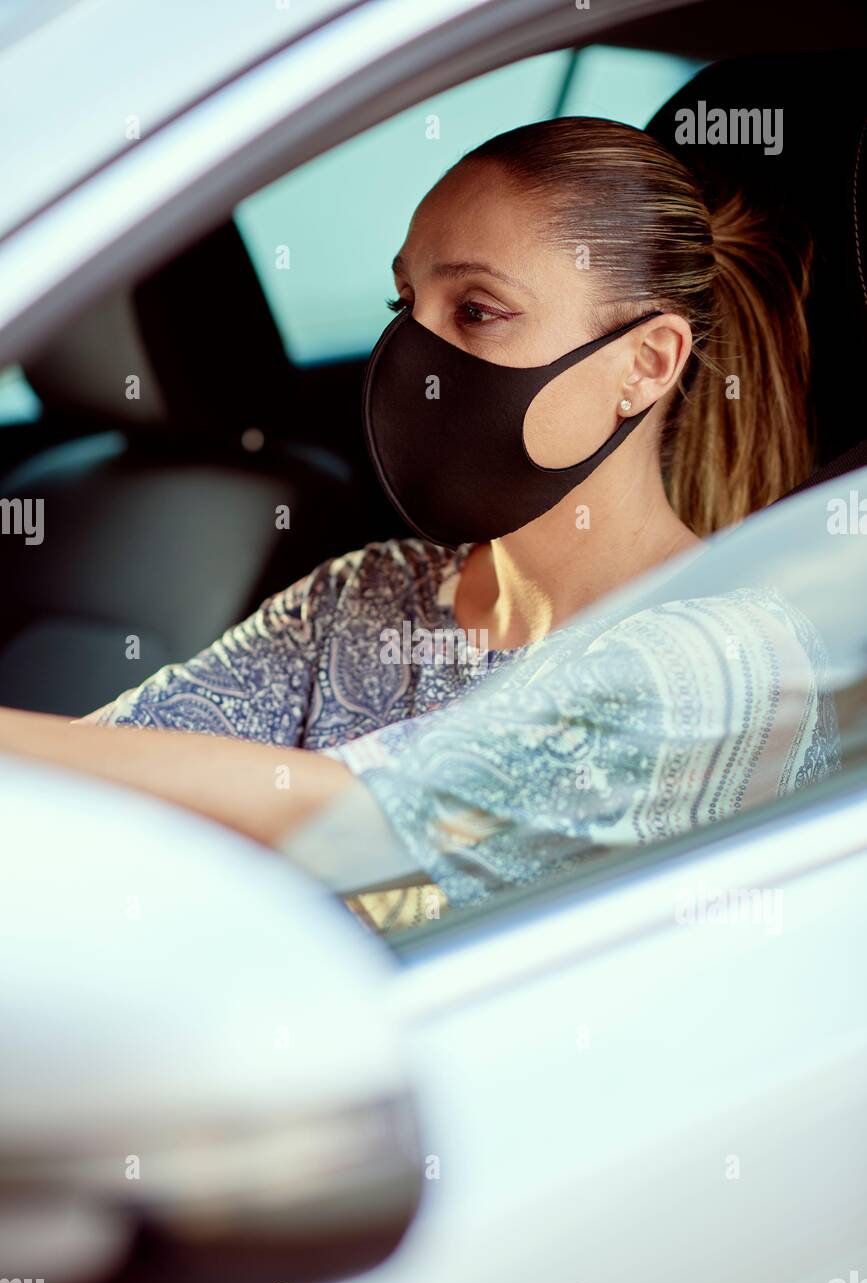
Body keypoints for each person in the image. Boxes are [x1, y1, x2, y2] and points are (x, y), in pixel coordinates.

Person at [0, 118, 838, 923]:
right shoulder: (365, 595)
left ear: (645, 363)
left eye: (476, 310)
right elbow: (86, 779)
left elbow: (374, 833)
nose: (411, 357)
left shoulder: (724, 660)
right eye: (405, 302)